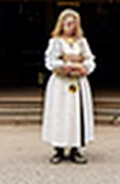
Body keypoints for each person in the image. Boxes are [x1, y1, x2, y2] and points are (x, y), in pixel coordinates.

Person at [42, 8, 96, 164]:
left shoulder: (82, 42)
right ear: (62, 24)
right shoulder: (55, 42)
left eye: (73, 23)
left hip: (78, 83)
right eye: (67, 23)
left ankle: (75, 149)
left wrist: (84, 67)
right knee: (60, 113)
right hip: (60, 84)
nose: (70, 26)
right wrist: (64, 66)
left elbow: (90, 59)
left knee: (76, 114)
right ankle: (58, 149)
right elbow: (50, 61)